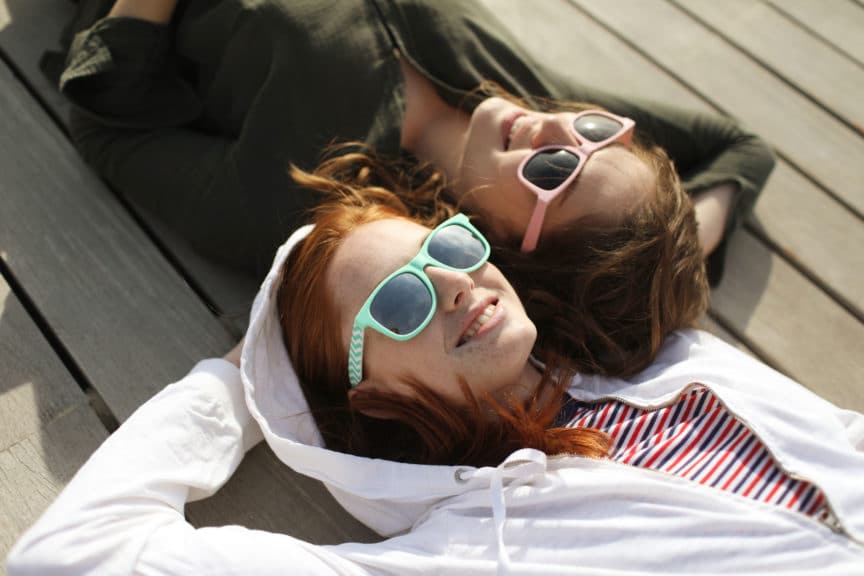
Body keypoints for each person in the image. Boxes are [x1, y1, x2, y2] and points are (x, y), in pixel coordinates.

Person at [7, 168, 863, 575]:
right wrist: (235, 385)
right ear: (372, 395)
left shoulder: (644, 342)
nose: (456, 285)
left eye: (445, 248)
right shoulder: (467, 553)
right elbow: (73, 557)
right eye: (402, 303)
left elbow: (714, 158)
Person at [61, 0, 775, 283]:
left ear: (503, 244)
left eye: (557, 171)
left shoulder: (293, 198)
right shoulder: (530, 99)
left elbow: (107, 123)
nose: (559, 130)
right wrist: (666, 252)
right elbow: (741, 146)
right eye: (597, 137)